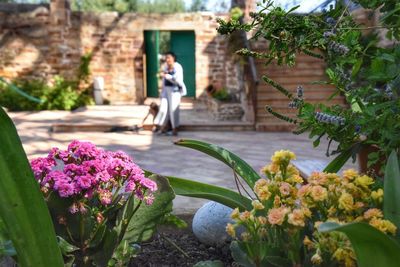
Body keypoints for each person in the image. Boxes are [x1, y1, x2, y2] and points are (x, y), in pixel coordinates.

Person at [153, 51, 187, 136]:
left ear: (173, 58)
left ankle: (175, 129)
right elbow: (164, 81)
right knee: (163, 108)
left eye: (169, 58)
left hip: (175, 91)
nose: (167, 59)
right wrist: (162, 92)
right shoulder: (165, 67)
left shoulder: (178, 67)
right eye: (166, 58)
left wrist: (169, 77)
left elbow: (178, 80)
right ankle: (160, 126)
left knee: (173, 110)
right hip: (166, 90)